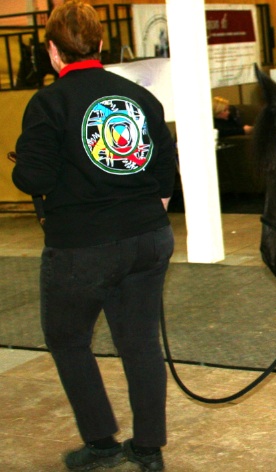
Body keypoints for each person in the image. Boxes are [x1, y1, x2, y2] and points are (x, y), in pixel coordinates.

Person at [12, 2, 176, 470]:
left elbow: (35, 179)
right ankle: (148, 449)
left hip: (80, 246)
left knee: (68, 340)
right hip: (148, 237)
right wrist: (144, 212)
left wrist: (24, 163)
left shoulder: (48, 102)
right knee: (140, 343)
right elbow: (164, 167)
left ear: (51, 51)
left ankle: (102, 442)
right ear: (101, 45)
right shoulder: (139, 96)